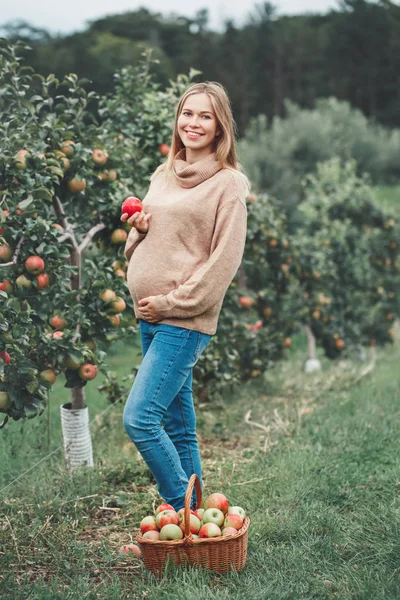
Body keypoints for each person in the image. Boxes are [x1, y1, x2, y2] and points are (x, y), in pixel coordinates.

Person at [121, 81, 249, 512]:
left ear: (220, 128)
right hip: (150, 316)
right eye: (188, 113)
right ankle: (201, 527)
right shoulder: (165, 172)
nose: (193, 123)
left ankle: (185, 514)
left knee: (139, 419)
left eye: (205, 116)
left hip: (183, 319)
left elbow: (223, 262)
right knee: (178, 426)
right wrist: (136, 232)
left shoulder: (228, 184)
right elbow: (149, 239)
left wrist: (172, 303)